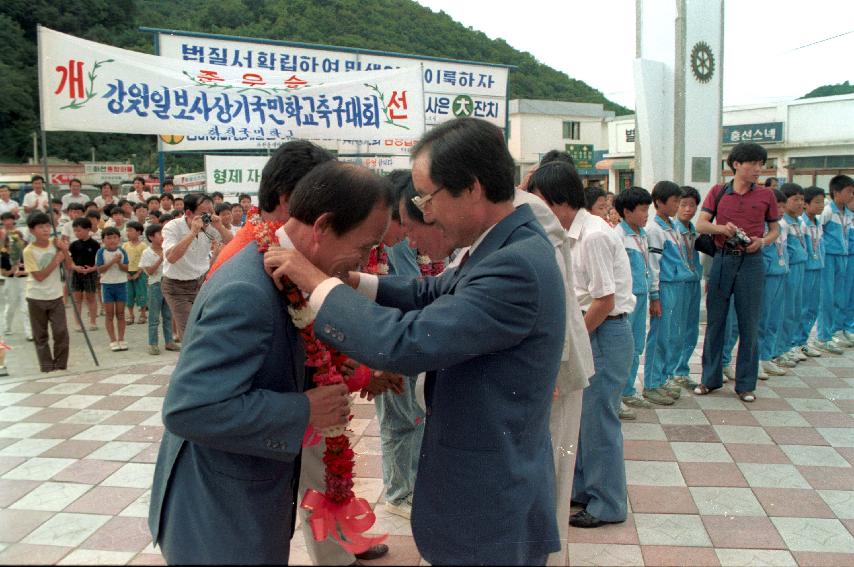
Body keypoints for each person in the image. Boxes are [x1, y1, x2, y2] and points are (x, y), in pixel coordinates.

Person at [265, 118, 565, 565]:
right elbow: (431, 292)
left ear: (472, 188)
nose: (427, 212)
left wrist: (316, 283)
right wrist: (351, 280)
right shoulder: (506, 244)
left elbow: (406, 343)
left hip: (488, 502)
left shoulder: (513, 266)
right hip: (488, 481)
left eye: (429, 197)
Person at [148, 165, 377, 566]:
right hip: (219, 514)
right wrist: (305, 408)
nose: (363, 260)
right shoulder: (247, 288)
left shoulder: (280, 269)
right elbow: (189, 408)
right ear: (323, 225)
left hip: (246, 498)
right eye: (363, 245)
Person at [528, 161, 633, 530]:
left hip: (602, 331)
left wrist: (573, 340)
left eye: (538, 200)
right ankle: (586, 489)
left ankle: (608, 503)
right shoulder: (568, 234)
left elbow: (604, 300)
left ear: (558, 200)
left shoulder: (595, 236)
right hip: (591, 330)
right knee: (582, 421)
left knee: (600, 423)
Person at [694, 142, 780, 403]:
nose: (757, 169)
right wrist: (722, 229)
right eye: (752, 163)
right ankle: (709, 379)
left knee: (749, 323)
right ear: (736, 165)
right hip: (722, 260)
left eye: (760, 164)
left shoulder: (767, 195)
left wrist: (762, 241)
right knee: (717, 321)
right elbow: (701, 224)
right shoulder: (718, 192)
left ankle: (745, 384)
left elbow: (775, 229)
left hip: (752, 262)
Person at [161, 193, 232, 338]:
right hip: (176, 287)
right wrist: (193, 232)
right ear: (188, 213)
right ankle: (189, 359)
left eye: (211, 213)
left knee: (207, 326)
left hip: (201, 283)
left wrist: (220, 227)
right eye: (204, 214)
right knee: (189, 332)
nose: (208, 217)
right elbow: (171, 257)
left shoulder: (211, 226)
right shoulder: (172, 227)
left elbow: (234, 245)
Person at [643, 181, 686, 405]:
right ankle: (651, 383)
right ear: (659, 202)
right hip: (664, 286)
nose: (678, 205)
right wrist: (655, 296)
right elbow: (654, 266)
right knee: (659, 336)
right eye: (675, 201)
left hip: (677, 285)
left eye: (679, 201)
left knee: (671, 335)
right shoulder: (655, 230)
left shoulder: (673, 226)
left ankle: (662, 378)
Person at [613, 187, 655, 418]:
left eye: (647, 209)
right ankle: (616, 396)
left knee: (637, 345)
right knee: (623, 347)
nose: (646, 214)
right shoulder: (618, 235)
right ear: (627, 212)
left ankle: (628, 390)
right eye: (642, 210)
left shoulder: (643, 235)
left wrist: (653, 294)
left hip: (642, 295)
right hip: (625, 299)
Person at [23, 212, 70, 371]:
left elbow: (69, 266)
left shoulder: (55, 243)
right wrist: (56, 260)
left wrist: (64, 250)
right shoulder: (29, 251)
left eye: (47, 226)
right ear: (32, 230)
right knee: (40, 335)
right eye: (40, 227)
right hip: (36, 297)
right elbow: (40, 276)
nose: (45, 230)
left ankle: (61, 365)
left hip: (56, 296)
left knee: (61, 331)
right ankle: (47, 367)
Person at [816, 175, 854, 351]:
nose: (851, 195)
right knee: (827, 297)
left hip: (843, 258)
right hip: (829, 258)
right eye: (849, 192)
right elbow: (817, 231)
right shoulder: (828, 211)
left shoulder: (846, 213)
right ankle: (824, 336)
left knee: (842, 295)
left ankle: (838, 329)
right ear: (836, 193)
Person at [757, 190, 791, 379]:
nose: (781, 210)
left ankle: (767, 356)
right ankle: (757, 359)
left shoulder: (782, 226)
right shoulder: (761, 226)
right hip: (766, 276)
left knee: (774, 318)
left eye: (783, 206)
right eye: (778, 206)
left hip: (781, 274)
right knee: (762, 318)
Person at [672, 187, 703, 389]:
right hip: (678, 284)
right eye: (683, 204)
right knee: (676, 329)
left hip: (693, 282)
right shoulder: (672, 230)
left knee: (691, 329)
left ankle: (682, 369)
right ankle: (671, 371)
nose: (688, 209)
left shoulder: (694, 230)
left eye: (692, 205)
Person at [779, 184, 810, 364]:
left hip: (800, 267)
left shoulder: (799, 222)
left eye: (802, 199)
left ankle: (788, 345)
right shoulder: (783, 223)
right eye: (795, 199)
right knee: (786, 310)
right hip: (788, 270)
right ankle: (781, 348)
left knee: (796, 308)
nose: (800, 203)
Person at [138, 224, 179, 355]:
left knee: (168, 315)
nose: (162, 237)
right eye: (159, 234)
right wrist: (161, 258)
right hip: (155, 285)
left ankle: (169, 342)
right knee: (154, 317)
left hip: (169, 283)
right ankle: (153, 344)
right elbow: (149, 271)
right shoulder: (147, 252)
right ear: (151, 237)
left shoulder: (168, 248)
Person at [798, 186, 827, 356]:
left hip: (818, 267)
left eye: (822, 202)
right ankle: (796, 342)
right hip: (806, 269)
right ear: (806, 205)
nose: (821, 206)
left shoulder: (818, 222)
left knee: (813, 307)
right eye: (817, 202)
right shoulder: (802, 223)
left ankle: (804, 340)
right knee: (802, 306)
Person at [96, 227, 129, 352]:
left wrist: (119, 263)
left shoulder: (122, 251)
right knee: (109, 314)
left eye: (114, 237)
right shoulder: (100, 252)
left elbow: (126, 268)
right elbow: (100, 269)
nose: (112, 240)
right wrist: (112, 261)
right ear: (103, 240)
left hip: (121, 284)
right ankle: (112, 340)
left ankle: (121, 339)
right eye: (108, 238)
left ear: (119, 239)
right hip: (107, 285)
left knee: (120, 314)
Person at [1, 213, 31, 339]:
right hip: (10, 281)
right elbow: (3, 272)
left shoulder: (27, 252)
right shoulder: (4, 254)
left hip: (24, 281)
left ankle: (29, 332)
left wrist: (22, 271)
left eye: (19, 240)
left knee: (26, 307)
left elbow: (32, 269)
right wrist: (12, 270)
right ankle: (7, 327)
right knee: (11, 305)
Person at [68, 217, 100, 331]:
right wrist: (75, 267)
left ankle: (93, 322)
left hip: (90, 273)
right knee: (77, 299)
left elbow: (99, 261)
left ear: (88, 229)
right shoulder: (73, 245)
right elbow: (69, 260)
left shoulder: (95, 244)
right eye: (75, 231)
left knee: (91, 298)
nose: (77, 233)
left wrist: (92, 269)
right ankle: (78, 323)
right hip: (77, 273)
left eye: (79, 230)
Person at [123, 221, 149, 325]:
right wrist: (127, 273)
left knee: (141, 293)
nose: (128, 233)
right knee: (128, 295)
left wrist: (138, 273)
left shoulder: (143, 246)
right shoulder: (125, 245)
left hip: (140, 273)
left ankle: (143, 314)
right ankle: (131, 315)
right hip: (128, 273)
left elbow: (145, 261)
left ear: (138, 232)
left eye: (130, 230)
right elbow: (123, 261)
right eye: (127, 230)